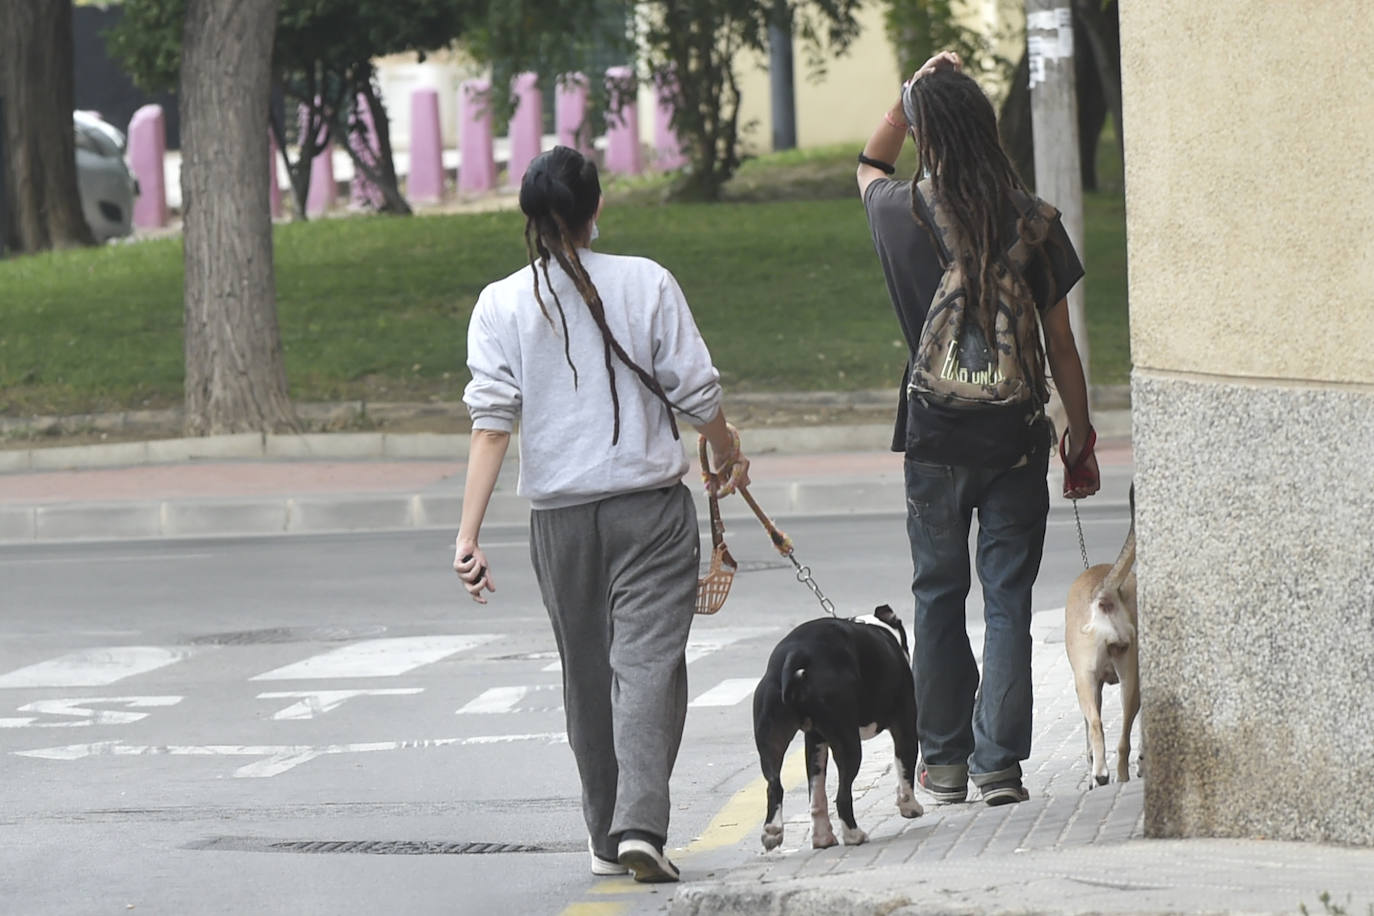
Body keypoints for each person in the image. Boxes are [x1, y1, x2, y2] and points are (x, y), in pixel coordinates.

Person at [453, 146, 750, 883]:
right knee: (648, 666)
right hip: (650, 511)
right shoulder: (647, 282)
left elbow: (492, 424)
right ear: (597, 209)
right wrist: (724, 448)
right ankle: (641, 825)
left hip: (559, 522)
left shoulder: (500, 303)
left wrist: (467, 535)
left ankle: (604, 833)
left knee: (586, 675)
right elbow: (697, 392)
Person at [856, 52, 1101, 806]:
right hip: (1015, 438)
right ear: (988, 129)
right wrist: (1079, 434)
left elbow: (866, 166)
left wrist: (905, 102)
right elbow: (1062, 345)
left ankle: (946, 762)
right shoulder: (1032, 219)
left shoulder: (900, 211)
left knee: (936, 594)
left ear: (928, 134)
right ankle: (1000, 766)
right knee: (1006, 600)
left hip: (933, 435)